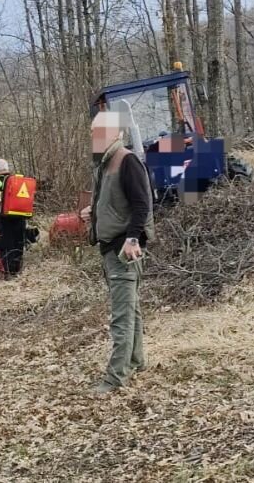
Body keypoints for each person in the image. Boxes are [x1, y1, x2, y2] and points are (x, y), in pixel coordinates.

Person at [82, 110, 154, 393]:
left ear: (114, 133)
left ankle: (115, 378)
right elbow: (115, 203)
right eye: (91, 133)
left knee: (121, 317)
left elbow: (142, 204)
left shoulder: (126, 160)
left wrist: (133, 238)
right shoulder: (105, 164)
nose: (92, 137)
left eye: (96, 132)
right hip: (111, 247)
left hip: (125, 249)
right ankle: (137, 360)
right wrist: (94, 213)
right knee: (131, 309)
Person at [0, 159, 26, 278]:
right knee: (18, 242)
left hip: (5, 219)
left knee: (6, 245)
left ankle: (9, 272)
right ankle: (17, 269)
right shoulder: (18, 180)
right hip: (20, 217)